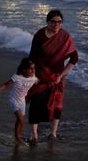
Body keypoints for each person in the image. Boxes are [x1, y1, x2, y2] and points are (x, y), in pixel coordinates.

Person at [26, 9, 79, 145]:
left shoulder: (65, 37)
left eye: (59, 22)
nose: (56, 25)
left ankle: (53, 134)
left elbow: (74, 58)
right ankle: (34, 136)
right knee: (36, 105)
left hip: (57, 78)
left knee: (56, 106)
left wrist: (61, 75)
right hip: (40, 77)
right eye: (53, 22)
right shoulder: (39, 36)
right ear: (47, 22)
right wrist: (32, 75)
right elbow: (31, 58)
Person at [0, 59, 38, 145]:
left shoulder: (33, 78)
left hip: (22, 101)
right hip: (13, 100)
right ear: (24, 70)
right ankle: (17, 137)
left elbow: (40, 82)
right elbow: (6, 84)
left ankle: (18, 136)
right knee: (20, 119)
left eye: (34, 68)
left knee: (21, 121)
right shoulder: (17, 77)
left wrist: (52, 81)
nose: (33, 70)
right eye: (31, 69)